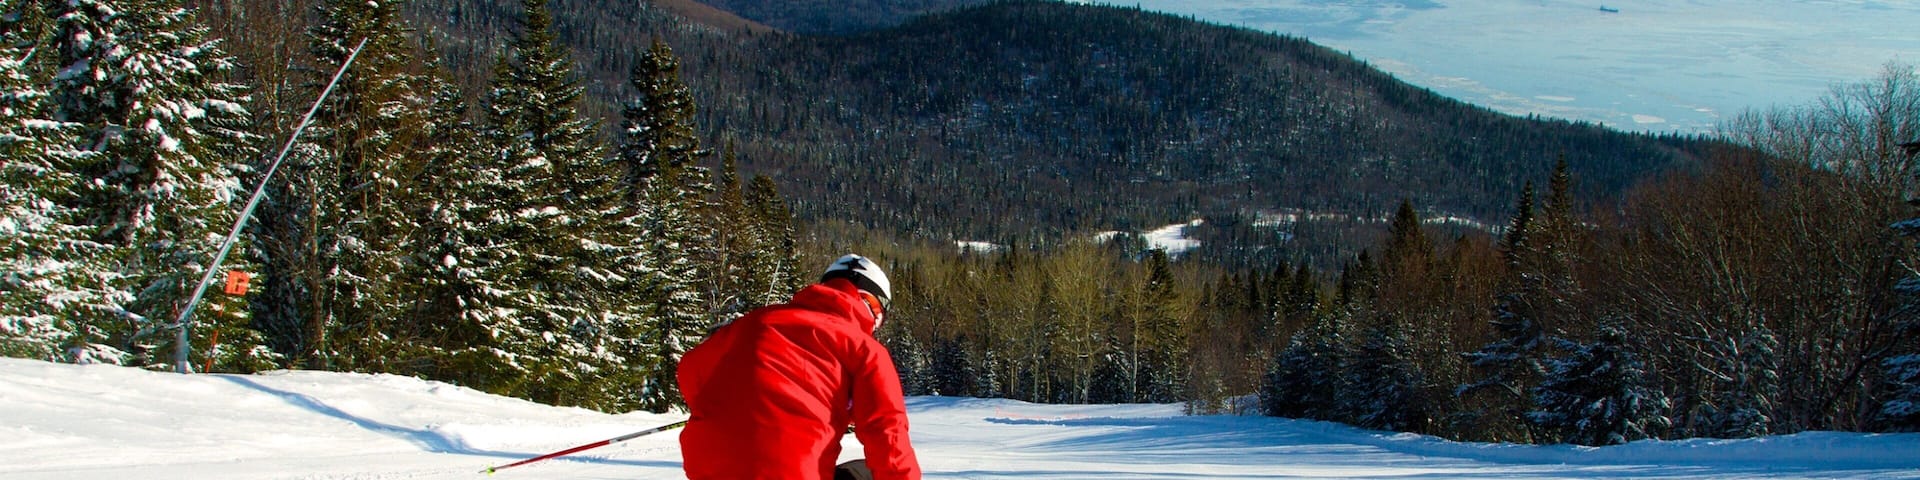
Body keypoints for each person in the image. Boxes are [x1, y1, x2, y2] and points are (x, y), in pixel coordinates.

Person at [677, 254, 922, 480]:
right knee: (863, 473)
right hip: (792, 474)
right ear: (870, 304)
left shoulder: (754, 322)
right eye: (879, 313)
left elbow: (690, 370)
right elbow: (888, 434)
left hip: (708, 471)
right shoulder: (863, 348)